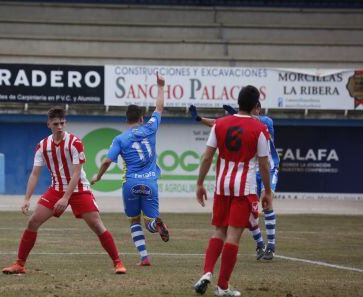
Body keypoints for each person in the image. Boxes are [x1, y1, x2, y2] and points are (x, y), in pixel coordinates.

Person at [2, 107, 126, 275]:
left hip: (79, 189)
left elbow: (76, 172)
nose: (59, 127)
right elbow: (34, 173)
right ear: (49, 124)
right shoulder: (42, 146)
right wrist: (26, 199)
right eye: (55, 124)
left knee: (97, 225)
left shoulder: (75, 143)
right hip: (56, 189)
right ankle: (19, 264)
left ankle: (118, 263)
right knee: (33, 222)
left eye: (62, 123)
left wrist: (66, 197)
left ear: (65, 123)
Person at [193, 86, 272, 296]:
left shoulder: (220, 123)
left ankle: (206, 273)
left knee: (219, 230)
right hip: (243, 188)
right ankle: (222, 287)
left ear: (238, 102)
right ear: (256, 106)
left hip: (221, 186)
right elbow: (264, 165)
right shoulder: (260, 129)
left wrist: (200, 183)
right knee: (233, 236)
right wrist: (268, 191)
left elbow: (207, 156)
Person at [91, 73, 169, 267]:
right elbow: (159, 107)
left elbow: (107, 161)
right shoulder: (150, 127)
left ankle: (144, 258)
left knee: (134, 221)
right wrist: (160, 86)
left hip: (131, 183)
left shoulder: (121, 139)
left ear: (127, 120)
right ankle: (155, 224)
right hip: (150, 182)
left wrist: (98, 177)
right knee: (149, 221)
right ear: (142, 118)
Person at [189, 103, 279, 260]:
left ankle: (271, 245)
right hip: (251, 171)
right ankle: (260, 244)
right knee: (251, 212)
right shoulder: (243, 120)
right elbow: (217, 123)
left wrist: (237, 116)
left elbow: (255, 121)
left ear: (258, 108)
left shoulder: (266, 121)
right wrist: (198, 118)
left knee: (268, 202)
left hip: (269, 168)